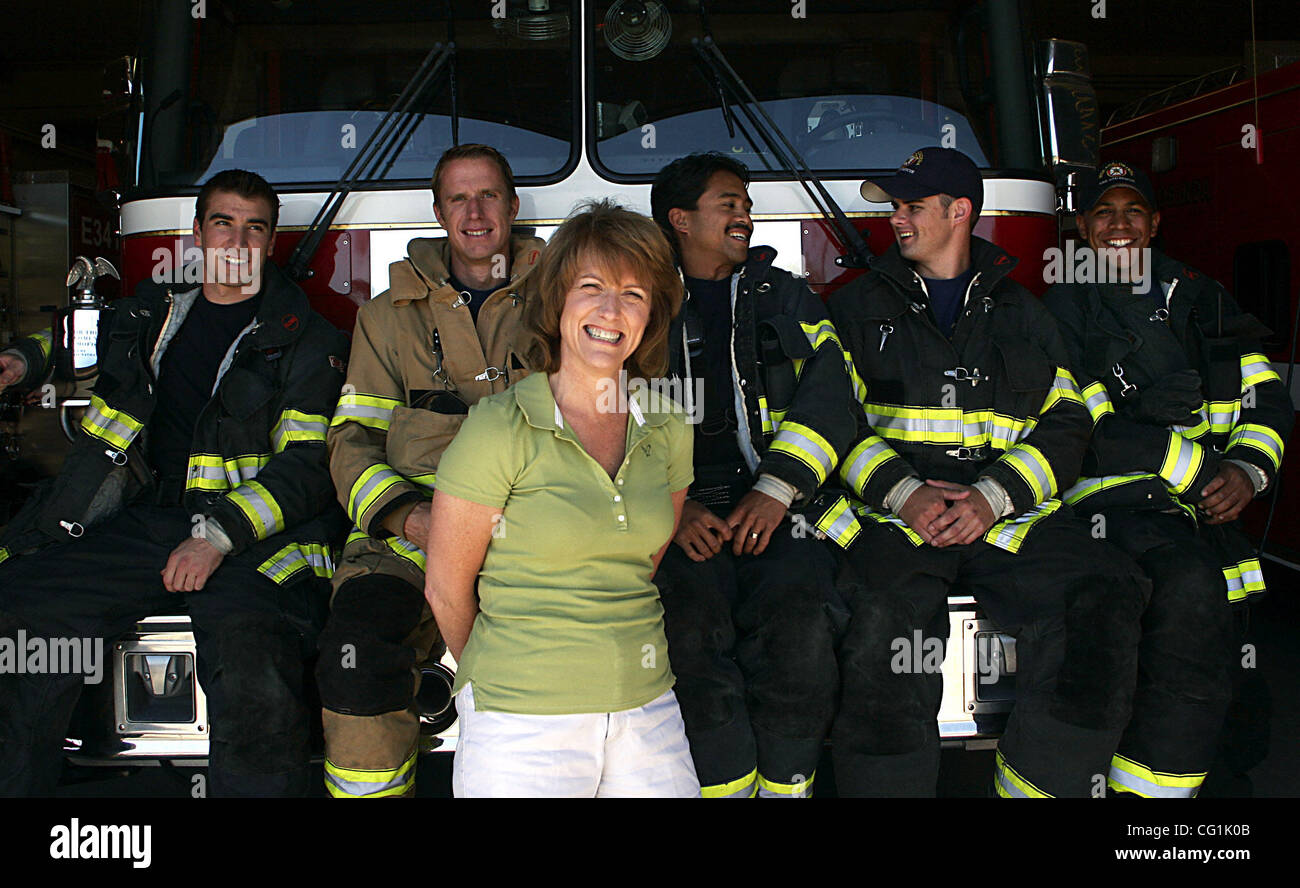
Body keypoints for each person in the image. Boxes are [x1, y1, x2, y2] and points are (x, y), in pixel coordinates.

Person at [0, 169, 349, 796]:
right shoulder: (153, 310)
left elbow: (306, 468)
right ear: (197, 234)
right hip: (146, 520)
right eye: (223, 223)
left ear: (270, 241)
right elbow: (81, 337)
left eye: (254, 227)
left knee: (255, 666)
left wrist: (216, 538)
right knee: (20, 616)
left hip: (252, 538)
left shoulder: (307, 339)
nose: (237, 241)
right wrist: (24, 358)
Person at [828, 147, 1150, 797]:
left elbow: (1068, 422)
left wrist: (992, 497)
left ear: (960, 211)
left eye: (912, 206)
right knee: (883, 626)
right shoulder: (854, 308)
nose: (897, 219)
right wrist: (907, 493)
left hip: (1005, 518)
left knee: (1105, 594)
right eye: (895, 207)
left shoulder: (1025, 314)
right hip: (898, 519)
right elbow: (826, 421)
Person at [424, 199, 697, 797]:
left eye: (633, 294)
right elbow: (445, 586)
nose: (610, 310)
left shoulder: (670, 426)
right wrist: (500, 682)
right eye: (591, 287)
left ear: (652, 315)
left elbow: (641, 563)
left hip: (646, 709)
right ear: (558, 303)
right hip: (520, 722)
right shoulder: (500, 427)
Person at [1043, 161, 1292, 797]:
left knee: (1232, 692)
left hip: (1206, 519)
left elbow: (1263, 396)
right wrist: (1197, 466)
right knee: (1165, 644)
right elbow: (1080, 422)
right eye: (1104, 212)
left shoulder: (1201, 296)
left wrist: (1246, 470)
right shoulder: (1062, 306)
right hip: (1112, 511)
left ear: (1154, 225)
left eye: (1132, 211)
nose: (1119, 224)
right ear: (1082, 228)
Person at [318, 144, 544, 798]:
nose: (475, 213)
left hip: (532, 532)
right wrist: (405, 515)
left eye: (489, 196)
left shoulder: (563, 297)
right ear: (439, 212)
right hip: (409, 535)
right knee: (356, 653)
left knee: (558, 660)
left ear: (513, 206)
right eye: (459, 199)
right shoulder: (386, 317)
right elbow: (353, 438)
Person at [649, 153, 858, 798]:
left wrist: (774, 490)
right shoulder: (638, 300)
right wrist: (669, 509)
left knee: (800, 624)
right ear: (679, 220)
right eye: (728, 204)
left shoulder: (784, 293)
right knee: (686, 632)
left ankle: (786, 787)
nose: (745, 215)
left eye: (745, 204)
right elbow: (604, 413)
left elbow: (835, 391)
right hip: (674, 514)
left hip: (779, 503)